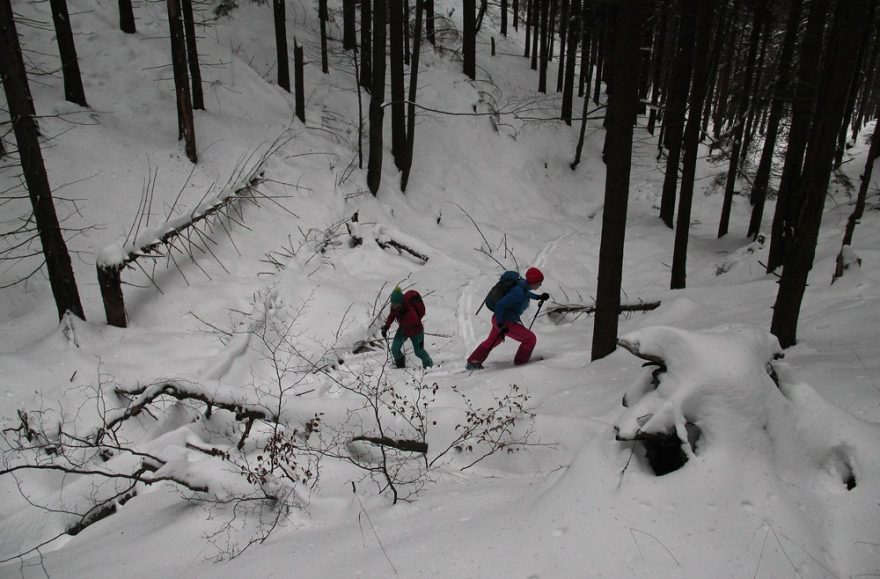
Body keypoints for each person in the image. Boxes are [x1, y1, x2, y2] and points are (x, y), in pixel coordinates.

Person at [466, 267, 549, 370]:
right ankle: (522, 365)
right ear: (533, 282)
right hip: (505, 322)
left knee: (493, 341)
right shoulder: (518, 291)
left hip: (498, 319)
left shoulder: (522, 284)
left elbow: (526, 293)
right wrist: (501, 324)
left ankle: (473, 361)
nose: (540, 285)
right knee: (530, 339)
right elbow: (500, 305)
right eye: (539, 283)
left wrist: (539, 297)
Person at [381, 287, 433, 369]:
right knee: (395, 349)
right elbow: (392, 316)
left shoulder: (408, 307)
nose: (393, 306)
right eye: (392, 303)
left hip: (417, 331)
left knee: (419, 352)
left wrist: (404, 313)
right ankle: (400, 365)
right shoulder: (395, 306)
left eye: (395, 304)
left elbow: (414, 320)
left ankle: (429, 365)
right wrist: (386, 327)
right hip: (403, 330)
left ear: (400, 302)